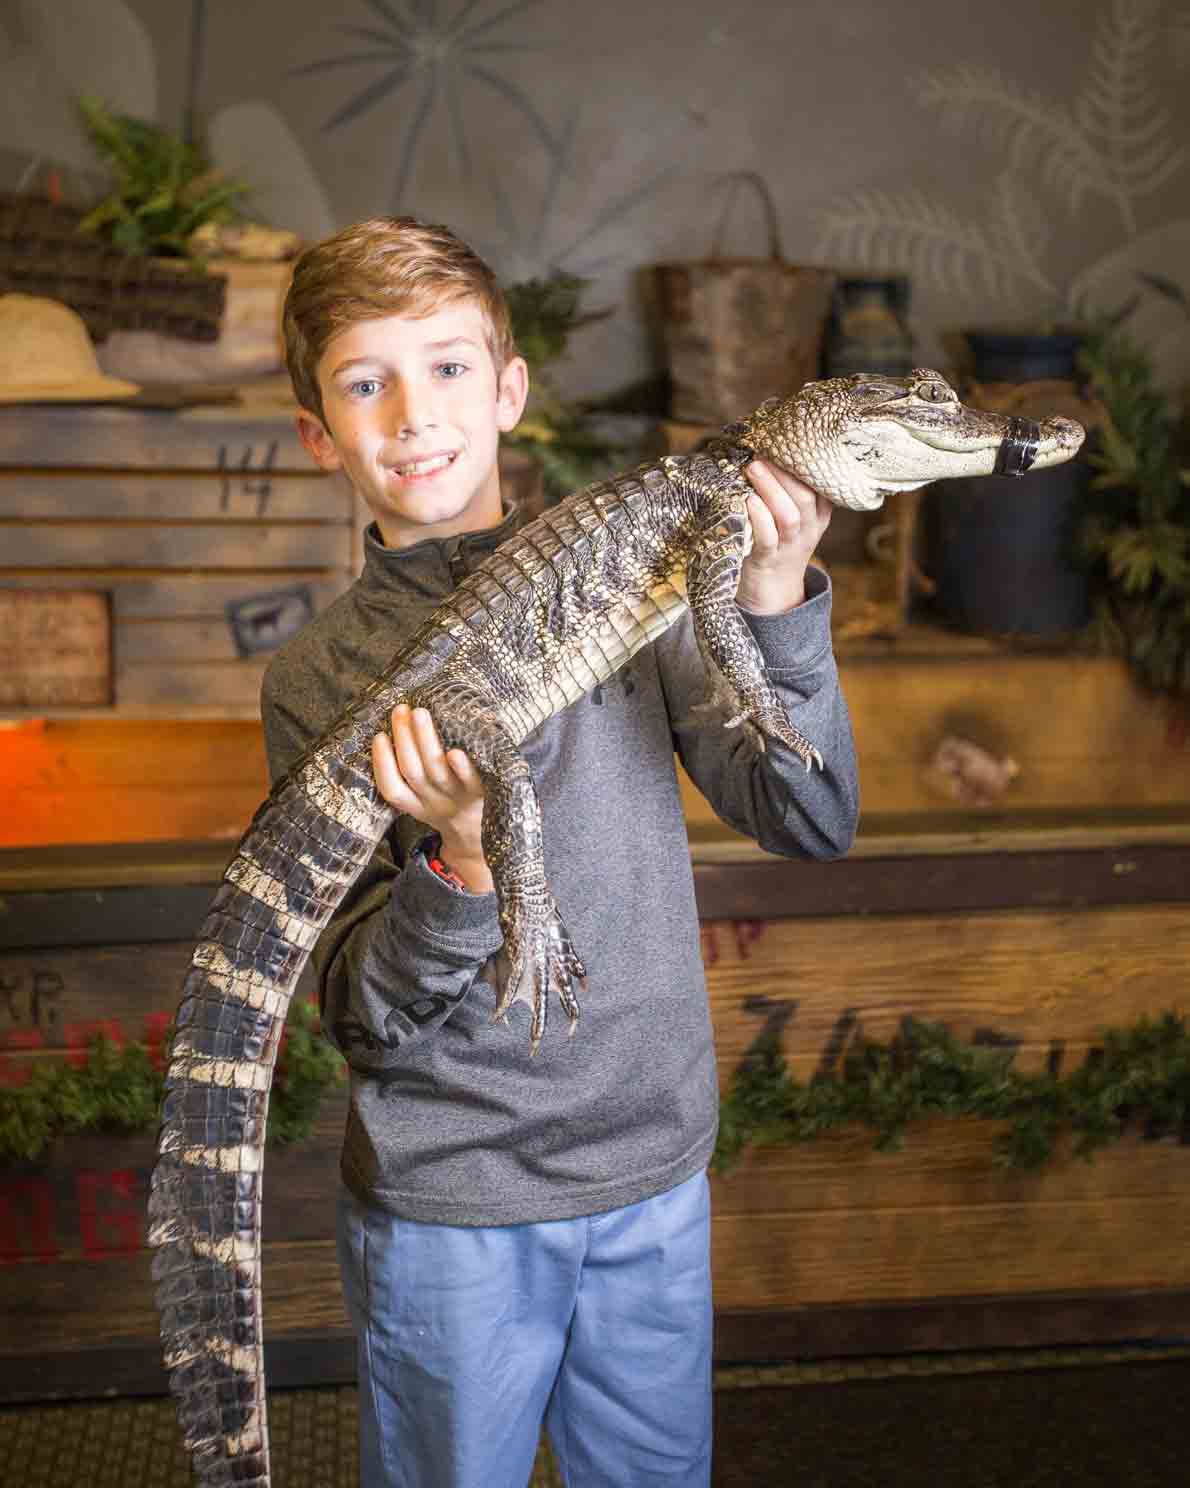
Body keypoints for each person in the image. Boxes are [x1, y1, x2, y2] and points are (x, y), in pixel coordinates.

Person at [261, 215, 859, 1488]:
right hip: (451, 1199)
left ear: (511, 389)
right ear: (319, 431)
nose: (413, 413)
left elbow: (809, 820)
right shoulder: (319, 677)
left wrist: (776, 609)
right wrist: (463, 862)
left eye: (449, 368)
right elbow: (359, 1020)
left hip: (648, 1166)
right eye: (365, 383)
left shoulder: (640, 567)